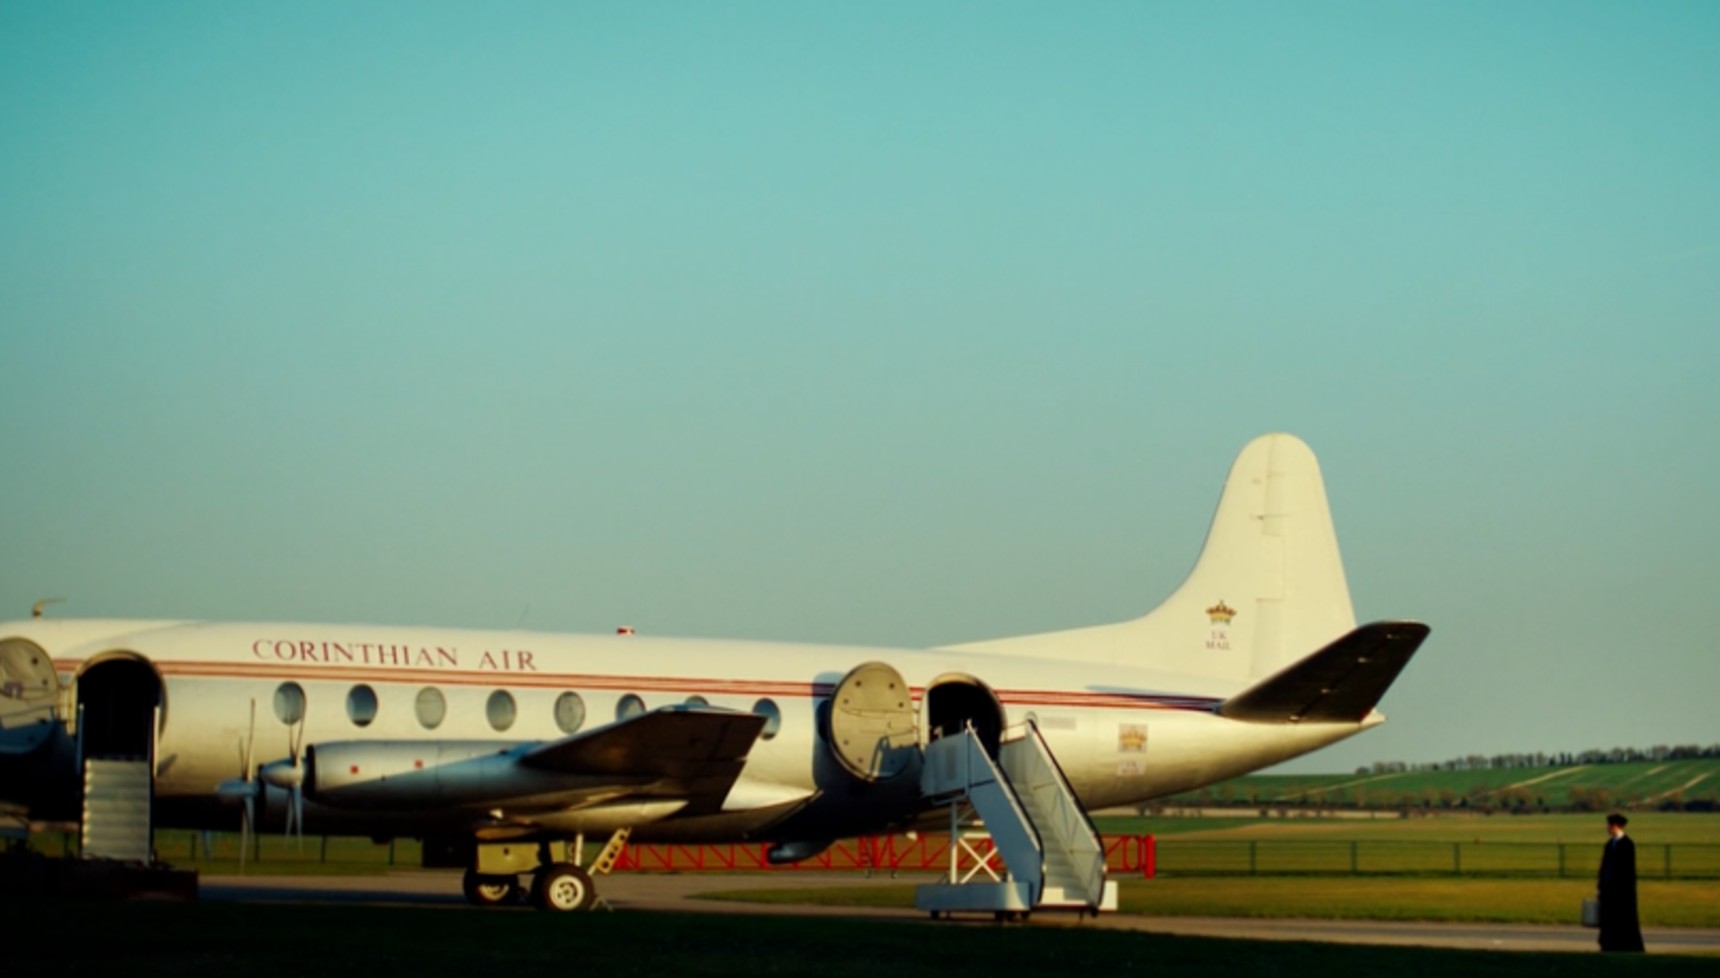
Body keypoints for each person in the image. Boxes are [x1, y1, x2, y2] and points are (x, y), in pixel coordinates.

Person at [1597, 812, 1645, 952]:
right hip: (1608, 890)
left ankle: (1626, 945)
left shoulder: (1627, 845)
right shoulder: (1609, 845)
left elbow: (1626, 871)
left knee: (1623, 919)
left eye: (1609, 825)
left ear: (1616, 826)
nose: (1607, 828)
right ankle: (1608, 945)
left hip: (1621, 892)